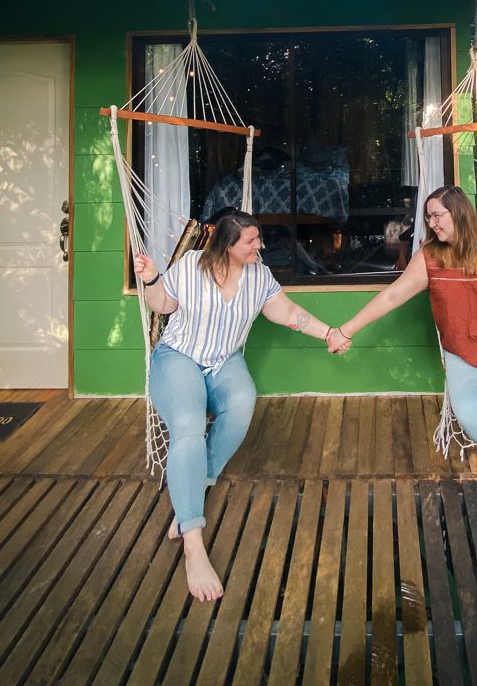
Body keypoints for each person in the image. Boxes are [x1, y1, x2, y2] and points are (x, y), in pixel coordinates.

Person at [327, 185, 477, 617]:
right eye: (429, 216)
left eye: (438, 215)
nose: (432, 223)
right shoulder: (430, 259)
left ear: (458, 212)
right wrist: (347, 329)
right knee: (474, 421)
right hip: (463, 351)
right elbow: (393, 296)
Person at [134, 210, 334, 603]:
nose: (259, 246)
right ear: (228, 245)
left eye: (258, 239)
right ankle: (193, 540)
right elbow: (162, 305)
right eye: (252, 241)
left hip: (223, 361)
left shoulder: (259, 277)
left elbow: (289, 313)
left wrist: (329, 333)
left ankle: (194, 485)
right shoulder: (191, 265)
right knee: (189, 426)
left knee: (242, 403)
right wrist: (152, 278)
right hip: (179, 358)